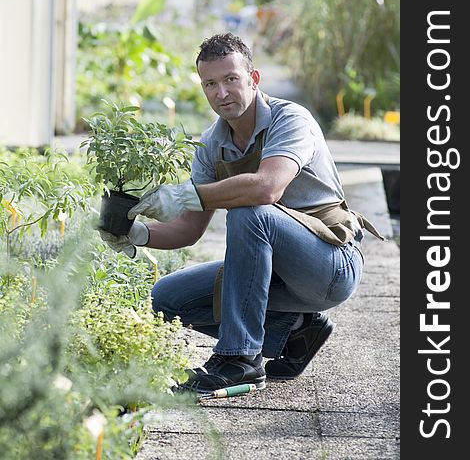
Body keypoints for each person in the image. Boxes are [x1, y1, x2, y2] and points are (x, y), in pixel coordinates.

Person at [100, 32, 383, 394]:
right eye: (211, 84)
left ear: (253, 78)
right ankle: (295, 331)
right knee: (165, 299)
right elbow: (188, 229)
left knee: (251, 213)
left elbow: (267, 188)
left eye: (231, 79)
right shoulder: (211, 145)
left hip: (329, 262)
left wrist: (189, 195)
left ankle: (240, 359)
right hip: (276, 277)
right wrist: (139, 234)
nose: (221, 93)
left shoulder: (291, 119)